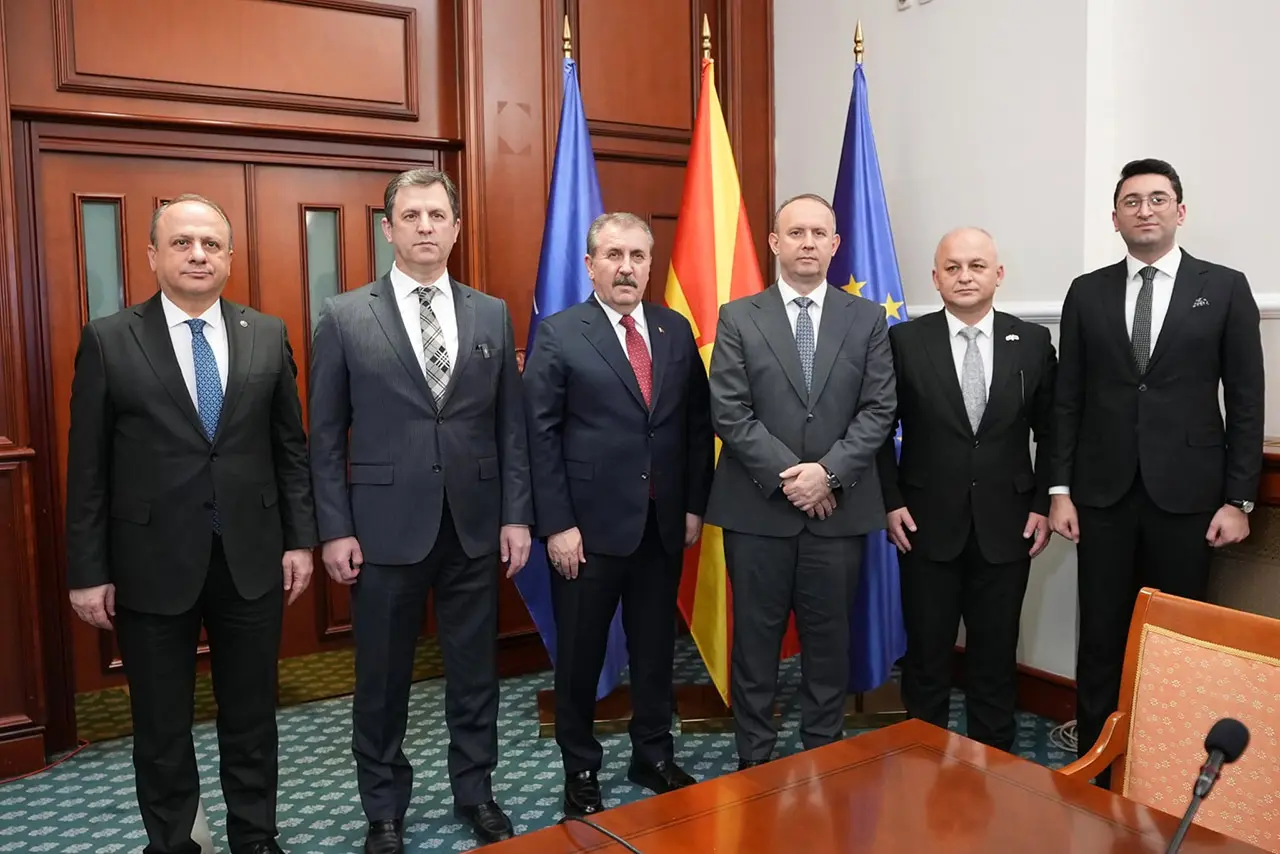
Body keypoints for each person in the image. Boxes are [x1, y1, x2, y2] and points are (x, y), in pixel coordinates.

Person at [64, 195, 317, 854]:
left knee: (252, 715)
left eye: (210, 243)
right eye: (182, 243)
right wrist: (87, 571)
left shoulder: (266, 333)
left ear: (230, 256)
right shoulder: (109, 339)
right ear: (153, 255)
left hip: (251, 557)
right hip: (149, 563)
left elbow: (290, 449)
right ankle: (174, 842)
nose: (198, 254)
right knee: (162, 724)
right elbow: (87, 468)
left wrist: (300, 540)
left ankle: (255, 836)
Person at [308, 168, 532, 850]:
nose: (426, 226)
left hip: (474, 524)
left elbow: (511, 427)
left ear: (456, 228)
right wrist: (334, 529)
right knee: (381, 681)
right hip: (382, 531)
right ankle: (383, 809)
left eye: (437, 215)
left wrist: (516, 515)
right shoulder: (345, 315)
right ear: (389, 229)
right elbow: (324, 437)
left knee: (475, 674)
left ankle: (477, 792)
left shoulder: (491, 313)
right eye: (412, 216)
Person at [1049, 158, 1264, 784]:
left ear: (1180, 211)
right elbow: (1067, 399)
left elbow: (1246, 400)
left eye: (1158, 199)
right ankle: (1096, 761)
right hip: (1102, 495)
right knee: (1101, 634)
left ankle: (1169, 766)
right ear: (1115, 218)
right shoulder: (1086, 291)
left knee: (1180, 638)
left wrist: (1240, 500)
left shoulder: (1225, 287)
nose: (1145, 210)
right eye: (1132, 202)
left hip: (1191, 497)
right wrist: (1059, 489)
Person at [522, 212, 714, 816]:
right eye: (613, 255)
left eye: (637, 256)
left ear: (650, 264)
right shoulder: (560, 333)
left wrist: (693, 506)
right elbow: (539, 437)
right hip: (586, 531)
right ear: (590, 265)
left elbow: (695, 424)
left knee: (656, 650)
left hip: (661, 525)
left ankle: (652, 754)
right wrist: (557, 525)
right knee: (580, 657)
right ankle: (580, 766)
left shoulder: (674, 330)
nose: (626, 267)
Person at [705, 193, 896, 768]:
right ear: (775, 243)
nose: (807, 243)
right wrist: (794, 478)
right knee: (755, 644)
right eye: (795, 233)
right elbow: (729, 411)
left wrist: (828, 475)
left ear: (835, 244)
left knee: (829, 643)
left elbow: (879, 409)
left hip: (839, 511)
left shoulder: (866, 318)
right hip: (757, 511)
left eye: (818, 233)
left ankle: (822, 755)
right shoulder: (739, 316)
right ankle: (755, 759)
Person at [876, 227, 1055, 752]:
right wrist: (890, 501)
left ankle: (994, 764)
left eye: (977, 266)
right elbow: (877, 429)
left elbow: (1054, 431)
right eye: (952, 267)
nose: (965, 276)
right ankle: (922, 758)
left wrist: (1043, 503)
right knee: (927, 655)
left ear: (998, 275)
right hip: (923, 522)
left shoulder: (1033, 341)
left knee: (995, 656)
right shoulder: (905, 341)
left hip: (1009, 523)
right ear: (936, 278)